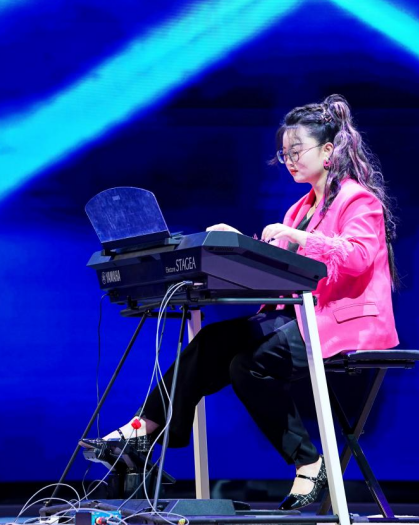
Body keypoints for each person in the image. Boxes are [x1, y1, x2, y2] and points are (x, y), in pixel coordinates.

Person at [81, 94, 399, 510]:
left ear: (327, 151)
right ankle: (145, 429)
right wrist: (235, 244)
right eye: (284, 153)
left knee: (249, 365)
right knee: (212, 342)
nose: (289, 160)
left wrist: (300, 238)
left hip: (342, 321)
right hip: (297, 315)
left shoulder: (359, 200)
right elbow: (283, 266)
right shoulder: (299, 209)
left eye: (297, 151)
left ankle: (309, 463)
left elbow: (357, 258)